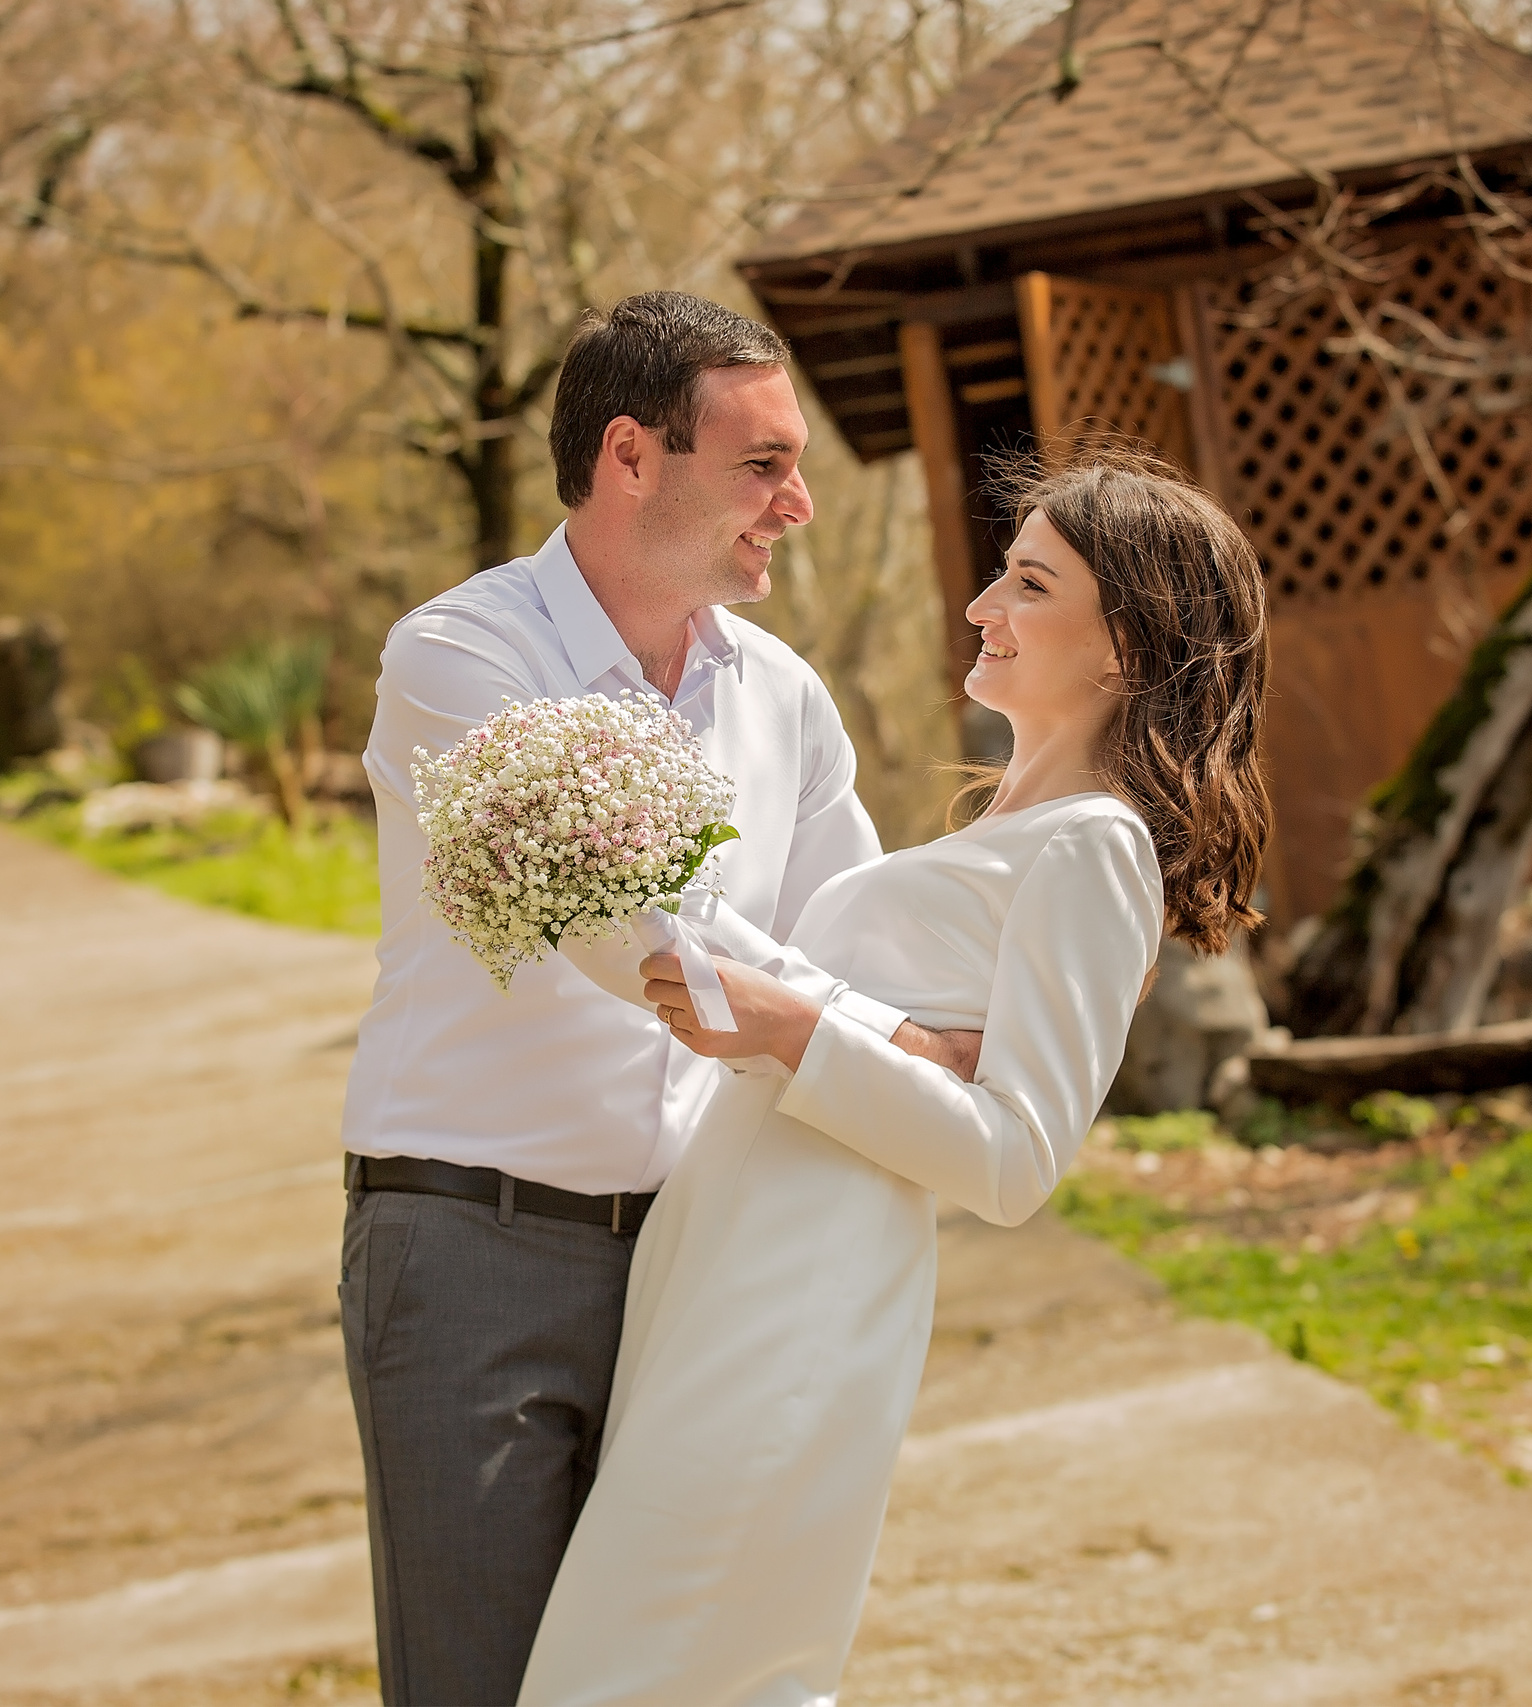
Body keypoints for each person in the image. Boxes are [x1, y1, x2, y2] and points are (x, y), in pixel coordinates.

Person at [517, 450, 1271, 1706]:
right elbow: (839, 1008)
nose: (982, 607)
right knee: (665, 1664)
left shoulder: (1093, 849)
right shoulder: (1003, 831)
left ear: (1125, 650)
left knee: (649, 1663)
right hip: (721, 1255)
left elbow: (1016, 1158)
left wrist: (792, 1029)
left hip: (809, 1278)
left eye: (1029, 585)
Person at [339, 290, 979, 1707]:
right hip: (467, 1252)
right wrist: (889, 1044)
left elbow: (852, 933)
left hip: (702, 1268)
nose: (799, 502)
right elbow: (634, 940)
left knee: (677, 1680)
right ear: (632, 455)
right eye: (763, 464)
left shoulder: (787, 697)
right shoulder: (460, 660)